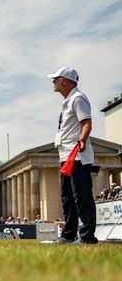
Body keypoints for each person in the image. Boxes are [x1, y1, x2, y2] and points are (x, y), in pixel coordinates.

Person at [49, 66, 97, 244]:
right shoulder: (67, 101)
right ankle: (68, 234)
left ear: (65, 81)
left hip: (77, 155)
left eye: (55, 79)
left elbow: (86, 123)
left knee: (81, 196)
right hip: (66, 156)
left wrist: (83, 140)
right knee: (67, 197)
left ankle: (87, 236)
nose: (53, 82)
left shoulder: (78, 98)